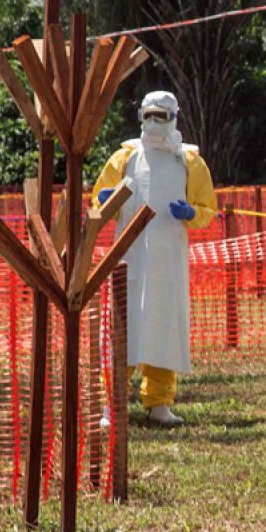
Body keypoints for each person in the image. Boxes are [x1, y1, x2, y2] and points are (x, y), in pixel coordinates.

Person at [91, 91, 217, 426]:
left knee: (163, 326)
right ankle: (111, 403)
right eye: (148, 115)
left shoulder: (189, 162)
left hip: (167, 260)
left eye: (160, 115)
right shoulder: (125, 158)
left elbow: (207, 208)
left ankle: (159, 401)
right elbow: (98, 204)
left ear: (174, 117)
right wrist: (105, 202)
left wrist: (192, 212)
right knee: (122, 327)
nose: (153, 122)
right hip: (128, 258)